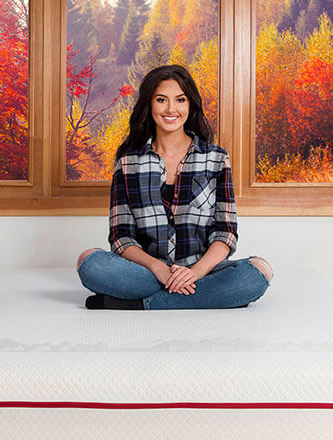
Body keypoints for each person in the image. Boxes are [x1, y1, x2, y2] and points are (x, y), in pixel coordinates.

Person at [76, 65, 273, 310]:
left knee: (257, 273)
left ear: (190, 106)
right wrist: (159, 269)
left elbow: (226, 232)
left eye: (180, 100)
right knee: (90, 263)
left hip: (201, 272)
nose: (171, 109)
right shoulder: (128, 161)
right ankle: (205, 298)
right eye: (161, 100)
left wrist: (195, 273)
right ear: (149, 105)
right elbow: (121, 237)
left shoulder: (216, 158)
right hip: (146, 272)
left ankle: (139, 304)